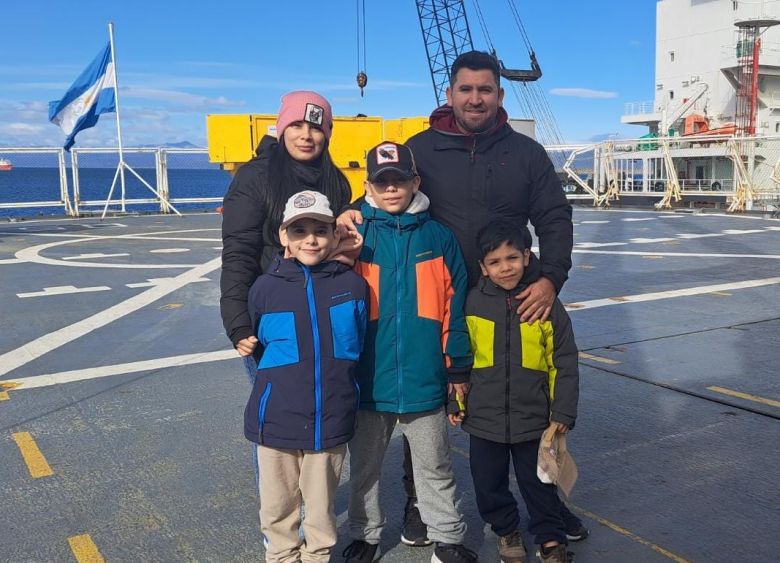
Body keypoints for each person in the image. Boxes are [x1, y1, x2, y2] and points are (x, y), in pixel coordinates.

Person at [338, 51, 583, 545]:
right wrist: (347, 213)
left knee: (531, 402)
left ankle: (547, 508)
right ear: (449, 94)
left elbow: (555, 217)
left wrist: (550, 279)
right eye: (466, 89)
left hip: (516, 299)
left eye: (485, 90)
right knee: (422, 405)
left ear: (499, 95)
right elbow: (382, 194)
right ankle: (417, 506)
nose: (476, 98)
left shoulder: (526, 153)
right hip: (447, 304)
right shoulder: (421, 149)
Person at [342, 141, 477, 563]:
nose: (392, 189)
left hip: (425, 378)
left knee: (435, 466)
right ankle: (365, 536)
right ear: (367, 186)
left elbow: (456, 309)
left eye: (400, 179)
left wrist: (456, 370)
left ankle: (448, 538)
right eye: (382, 182)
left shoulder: (438, 238)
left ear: (415, 181)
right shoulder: (353, 236)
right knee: (363, 469)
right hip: (369, 379)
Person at [220, 91, 352, 497]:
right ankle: (282, 530)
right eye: (297, 125)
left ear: (328, 132)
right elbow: (238, 251)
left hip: (321, 317)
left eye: (317, 126)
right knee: (276, 421)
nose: (307, 135)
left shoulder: (336, 181)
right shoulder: (255, 177)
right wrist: (238, 320)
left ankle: (316, 518)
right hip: (273, 319)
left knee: (318, 412)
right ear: (281, 127)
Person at [246, 190, 368, 563]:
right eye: (299, 230)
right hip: (276, 420)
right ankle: (282, 556)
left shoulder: (351, 285)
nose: (310, 239)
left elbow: (357, 344)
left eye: (319, 229)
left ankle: (318, 556)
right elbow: (258, 354)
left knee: (320, 506)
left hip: (329, 419)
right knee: (278, 506)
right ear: (284, 237)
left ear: (334, 235)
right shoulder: (265, 288)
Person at [449, 220, 579, 563]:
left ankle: (550, 538)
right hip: (484, 420)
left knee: (540, 483)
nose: (505, 267)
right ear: (483, 268)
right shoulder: (472, 303)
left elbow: (564, 359)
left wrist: (562, 411)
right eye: (494, 262)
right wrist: (456, 399)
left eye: (512, 258)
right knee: (488, 484)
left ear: (526, 256)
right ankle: (506, 530)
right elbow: (460, 356)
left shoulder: (543, 303)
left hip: (534, 419)